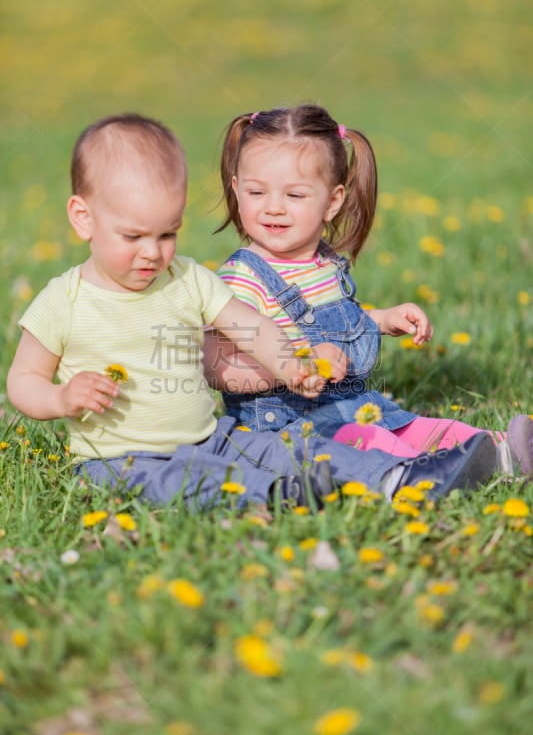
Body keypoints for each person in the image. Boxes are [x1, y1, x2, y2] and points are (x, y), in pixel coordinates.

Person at [6, 112, 499, 510]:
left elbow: (253, 326)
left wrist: (289, 363)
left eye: (168, 233)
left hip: (208, 435)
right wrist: (61, 398)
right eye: (133, 236)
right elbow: (22, 380)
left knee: (300, 448)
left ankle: (400, 479)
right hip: (119, 459)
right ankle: (278, 497)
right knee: (189, 481)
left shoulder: (188, 278)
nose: (153, 253)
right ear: (83, 217)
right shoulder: (63, 300)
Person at [208, 104, 532, 476]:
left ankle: (503, 451)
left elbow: (337, 322)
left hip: (351, 405)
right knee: (380, 443)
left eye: (294, 196)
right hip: (289, 426)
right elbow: (217, 366)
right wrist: (292, 365)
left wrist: (380, 320)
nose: (274, 208)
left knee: (416, 427)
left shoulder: (323, 263)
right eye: (256, 192)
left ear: (332, 202)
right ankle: (431, 474)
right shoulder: (242, 279)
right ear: (236, 189)